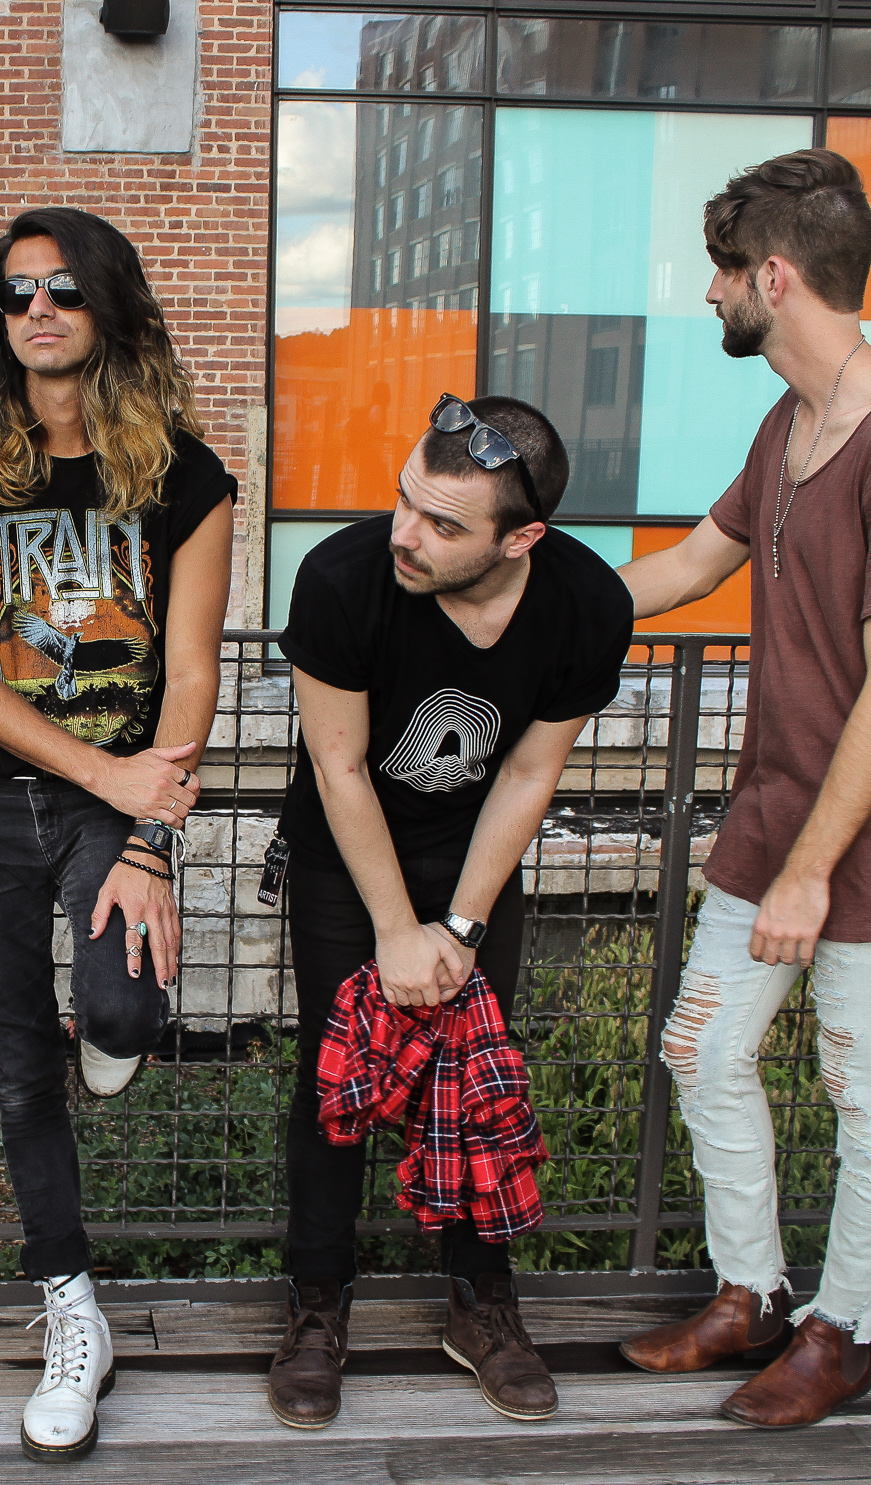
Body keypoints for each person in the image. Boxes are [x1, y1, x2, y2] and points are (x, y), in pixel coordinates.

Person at [615, 148, 871, 1428]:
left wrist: (811, 874)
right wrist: (515, 597)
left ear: (772, 277)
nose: (708, 294)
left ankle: (845, 1331)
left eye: (721, 271)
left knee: (860, 1081)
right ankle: (751, 1296)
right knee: (700, 1047)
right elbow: (686, 566)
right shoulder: (787, 423)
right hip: (778, 803)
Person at [0, 207, 235, 1461]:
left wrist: (146, 833)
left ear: (110, 305)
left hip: (118, 805)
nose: (36, 310)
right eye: (13, 293)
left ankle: (116, 1031)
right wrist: (109, 771)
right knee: (15, 1061)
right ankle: (70, 1308)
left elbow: (190, 669)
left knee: (122, 1011)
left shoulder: (186, 478)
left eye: (61, 290)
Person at [268, 395, 632, 1429]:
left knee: (480, 1071)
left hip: (475, 858)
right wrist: (395, 930)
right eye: (404, 501)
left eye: (441, 524)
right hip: (348, 858)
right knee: (334, 1078)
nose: (405, 534)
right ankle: (316, 1302)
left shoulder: (586, 604)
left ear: (521, 538)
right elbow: (338, 766)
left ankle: (480, 1303)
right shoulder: (340, 578)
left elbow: (527, 773)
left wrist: (461, 929)